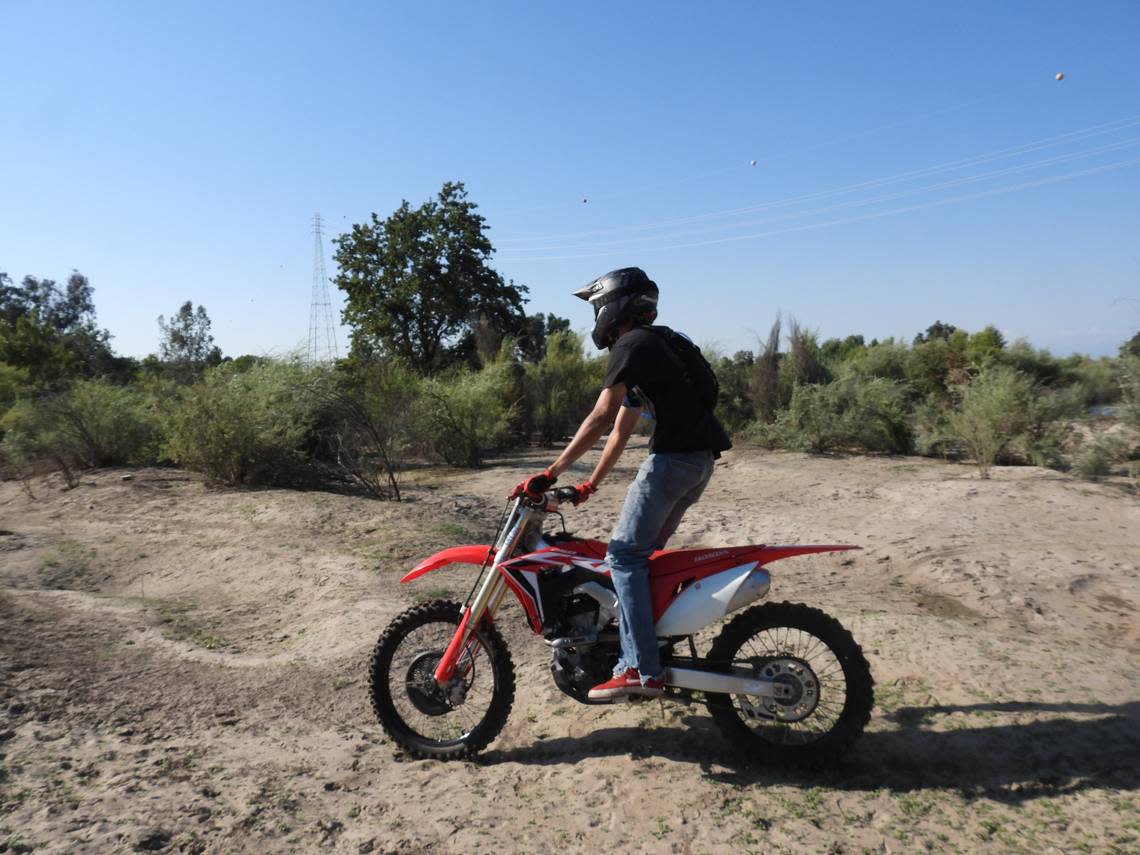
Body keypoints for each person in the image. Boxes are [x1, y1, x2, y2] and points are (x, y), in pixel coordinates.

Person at [512, 267, 732, 700]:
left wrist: (551, 473)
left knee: (623, 557)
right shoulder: (665, 344)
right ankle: (655, 648)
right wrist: (589, 483)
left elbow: (600, 415)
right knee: (644, 559)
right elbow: (620, 430)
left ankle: (639, 667)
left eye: (597, 307)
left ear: (614, 307)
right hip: (699, 464)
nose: (596, 315)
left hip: (671, 463)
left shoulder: (631, 344)